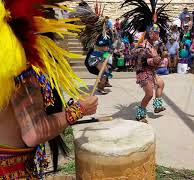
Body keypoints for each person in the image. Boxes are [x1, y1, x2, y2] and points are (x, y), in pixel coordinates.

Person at [0, 1, 98, 178]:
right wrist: (79, 109)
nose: (55, 18)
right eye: (51, 13)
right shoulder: (20, 68)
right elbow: (34, 132)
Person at [121, 0, 170, 123]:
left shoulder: (153, 45)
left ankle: (157, 106)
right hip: (143, 72)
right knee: (148, 94)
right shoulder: (144, 44)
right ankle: (140, 114)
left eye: (158, 32)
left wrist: (159, 58)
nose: (158, 35)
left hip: (151, 71)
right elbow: (136, 56)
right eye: (156, 32)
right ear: (151, 33)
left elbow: (156, 60)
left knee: (161, 84)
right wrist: (153, 60)